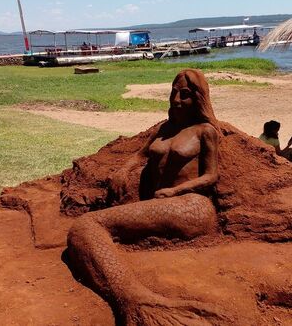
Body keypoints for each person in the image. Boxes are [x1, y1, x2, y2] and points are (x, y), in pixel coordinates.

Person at [68, 69, 230, 324]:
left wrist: (176, 191)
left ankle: (133, 298)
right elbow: (141, 155)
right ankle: (134, 297)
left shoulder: (205, 131)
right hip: (162, 203)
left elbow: (211, 176)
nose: (176, 100)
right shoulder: (166, 128)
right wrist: (124, 170)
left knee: (86, 225)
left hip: (192, 205)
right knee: (87, 226)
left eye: (185, 95)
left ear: (198, 98)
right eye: (174, 93)